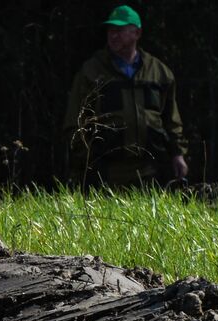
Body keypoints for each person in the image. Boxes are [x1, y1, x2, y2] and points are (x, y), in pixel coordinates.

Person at [63, 5, 189, 188]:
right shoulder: (91, 72)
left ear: (136, 33)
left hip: (150, 173)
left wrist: (178, 154)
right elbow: (74, 121)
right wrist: (84, 159)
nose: (113, 35)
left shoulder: (159, 72)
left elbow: (172, 120)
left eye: (119, 30)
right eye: (110, 30)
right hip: (105, 174)